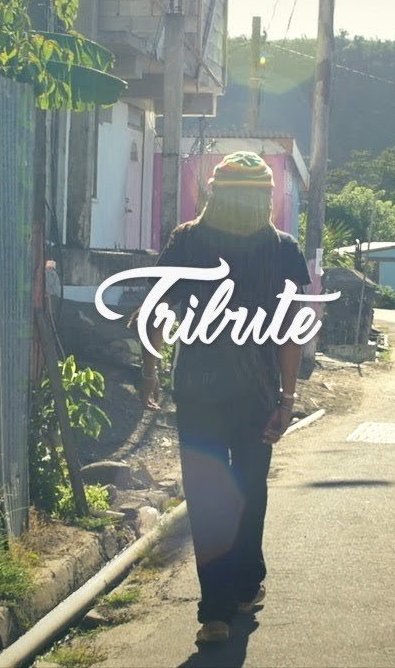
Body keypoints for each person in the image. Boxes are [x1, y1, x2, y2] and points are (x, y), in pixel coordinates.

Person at [139, 152, 310, 645]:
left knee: (207, 495)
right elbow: (290, 331)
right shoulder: (282, 248)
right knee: (250, 488)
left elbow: (155, 308)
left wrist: (149, 371)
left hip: (198, 390)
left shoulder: (187, 240)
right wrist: (287, 397)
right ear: (265, 198)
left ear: (215, 193)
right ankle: (245, 587)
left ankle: (215, 612)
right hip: (256, 393)